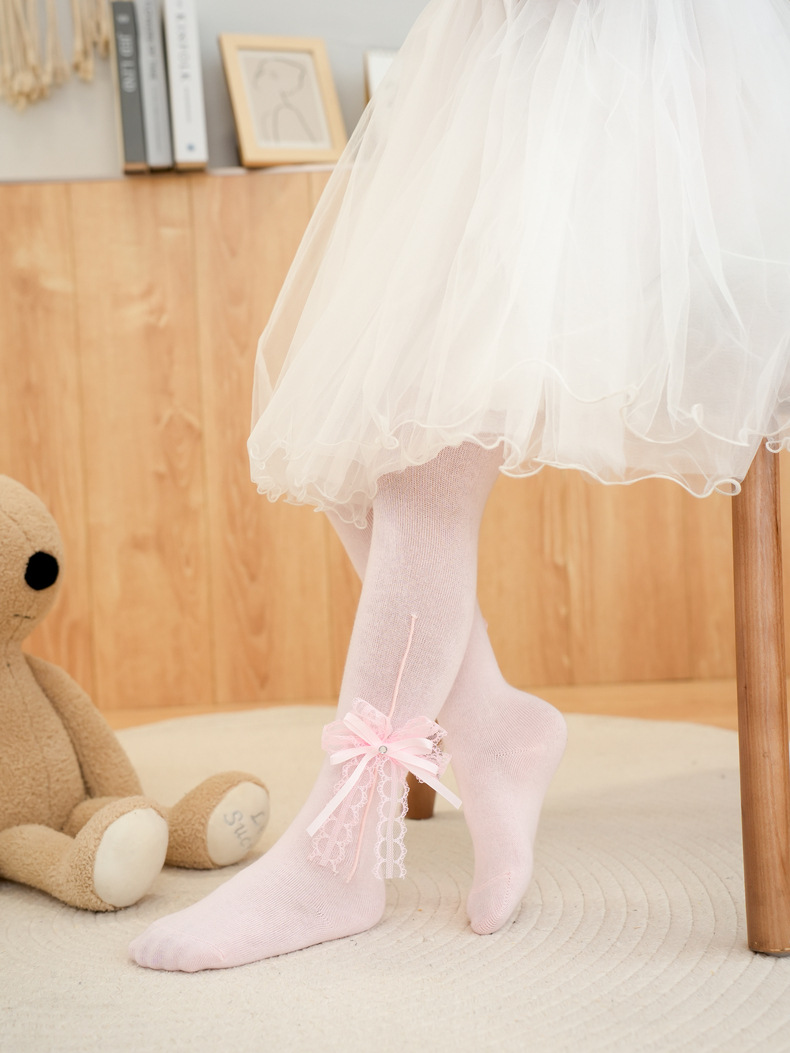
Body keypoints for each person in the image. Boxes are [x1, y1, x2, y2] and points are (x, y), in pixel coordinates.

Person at [130, 0, 790, 971]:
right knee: (350, 435)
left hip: (666, 112)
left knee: (420, 450)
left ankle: (342, 849)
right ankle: (487, 726)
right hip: (505, 67)